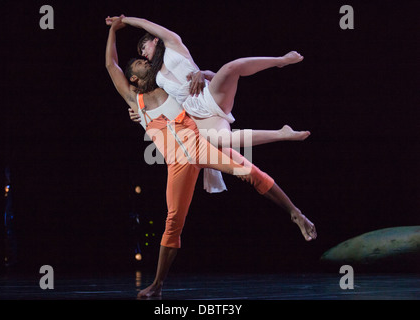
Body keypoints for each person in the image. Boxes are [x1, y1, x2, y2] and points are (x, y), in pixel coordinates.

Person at [105, 18, 317, 298]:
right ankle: (157, 285)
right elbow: (111, 65)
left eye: (146, 60)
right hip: (178, 162)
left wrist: (201, 74)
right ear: (133, 78)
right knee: (173, 221)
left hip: (201, 144)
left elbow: (195, 89)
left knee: (251, 172)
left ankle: (296, 213)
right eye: (141, 64)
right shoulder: (136, 102)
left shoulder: (168, 89)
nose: (146, 63)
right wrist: (113, 30)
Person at [106, 15, 310, 193]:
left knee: (232, 68)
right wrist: (136, 113)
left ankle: (280, 60)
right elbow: (142, 96)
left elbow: (144, 23)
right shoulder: (157, 78)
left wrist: (121, 21)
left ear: (155, 39)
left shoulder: (174, 44)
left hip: (210, 95)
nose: (143, 53)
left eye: (144, 47)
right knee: (224, 140)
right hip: (198, 113)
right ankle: (282, 133)